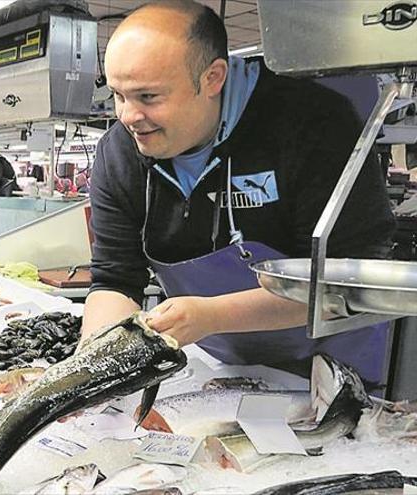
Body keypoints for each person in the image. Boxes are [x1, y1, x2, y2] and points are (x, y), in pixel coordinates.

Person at [81, 0, 395, 386]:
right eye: (118, 95)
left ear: (213, 78)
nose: (128, 116)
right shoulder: (119, 153)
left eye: (148, 97)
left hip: (334, 371)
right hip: (224, 368)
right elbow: (114, 278)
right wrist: (94, 366)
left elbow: (348, 280)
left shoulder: (315, 123)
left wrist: (211, 316)